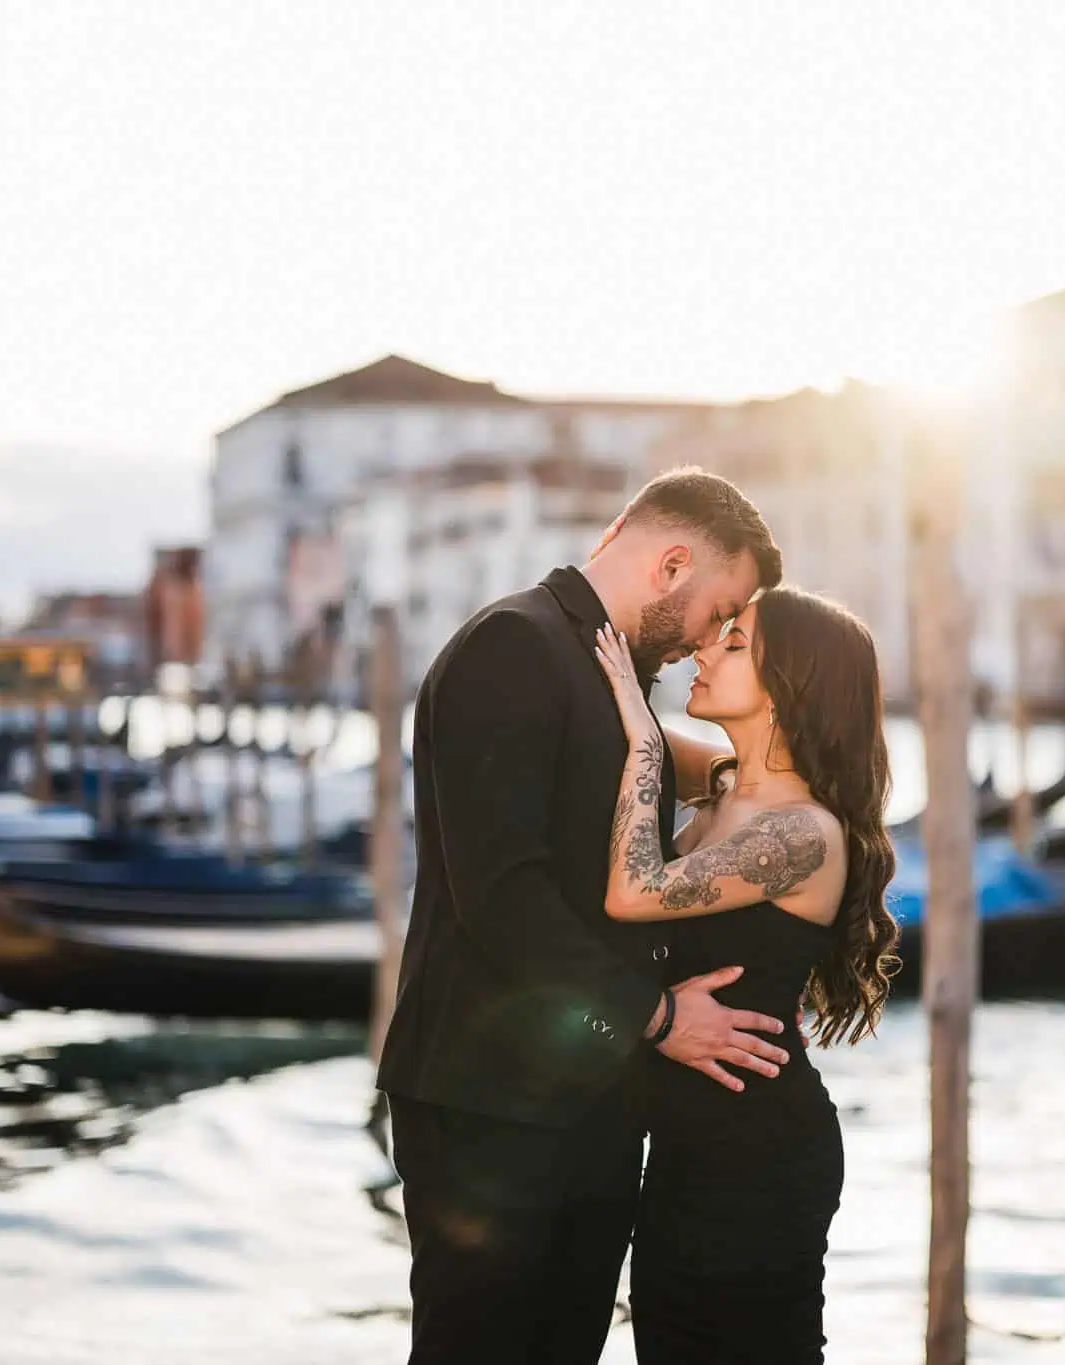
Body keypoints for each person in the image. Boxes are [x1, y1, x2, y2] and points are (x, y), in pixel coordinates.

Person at [374, 468, 788, 1364]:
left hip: (588, 1103)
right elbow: (502, 896)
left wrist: (747, 780)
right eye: (720, 609)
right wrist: (663, 1015)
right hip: (491, 1105)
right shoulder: (512, 646)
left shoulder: (607, 667)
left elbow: (625, 753)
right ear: (672, 562)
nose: (714, 637)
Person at [592, 586, 900, 1364]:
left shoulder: (802, 833)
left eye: (734, 644)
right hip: (685, 1148)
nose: (705, 649)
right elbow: (597, 731)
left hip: (761, 1153)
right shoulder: (729, 788)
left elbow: (634, 892)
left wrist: (643, 748)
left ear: (790, 683)